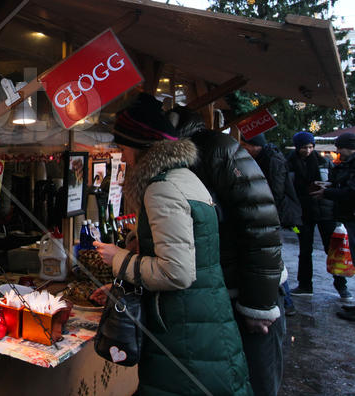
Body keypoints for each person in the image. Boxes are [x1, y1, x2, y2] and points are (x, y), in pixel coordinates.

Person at [93, 93, 252, 395]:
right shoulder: (184, 178)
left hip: (184, 334)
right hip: (200, 322)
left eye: (124, 147)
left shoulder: (161, 189)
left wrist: (118, 258)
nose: (123, 155)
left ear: (141, 147)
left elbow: (176, 272)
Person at [167, 107, 284, 396]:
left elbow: (261, 225)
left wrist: (258, 305)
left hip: (250, 292)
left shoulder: (215, 149)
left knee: (257, 380)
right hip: (227, 289)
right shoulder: (188, 155)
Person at [241, 132, 300, 316]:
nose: (243, 148)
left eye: (245, 144)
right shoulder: (265, 157)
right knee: (272, 258)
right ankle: (286, 300)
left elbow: (275, 191)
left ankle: (287, 301)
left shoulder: (272, 160)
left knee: (272, 259)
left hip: (272, 216)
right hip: (269, 215)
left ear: (254, 145)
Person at [286, 131, 350, 299]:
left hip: (325, 214)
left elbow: (336, 183)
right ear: (297, 147)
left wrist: (328, 188)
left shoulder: (324, 162)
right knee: (304, 249)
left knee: (332, 249)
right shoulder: (289, 164)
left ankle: (341, 286)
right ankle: (305, 285)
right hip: (301, 217)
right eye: (304, 147)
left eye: (310, 147)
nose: (307, 150)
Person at [310, 132, 355, 320]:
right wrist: (329, 186)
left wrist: (327, 193)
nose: (337, 151)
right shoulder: (348, 165)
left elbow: (351, 193)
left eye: (340, 147)